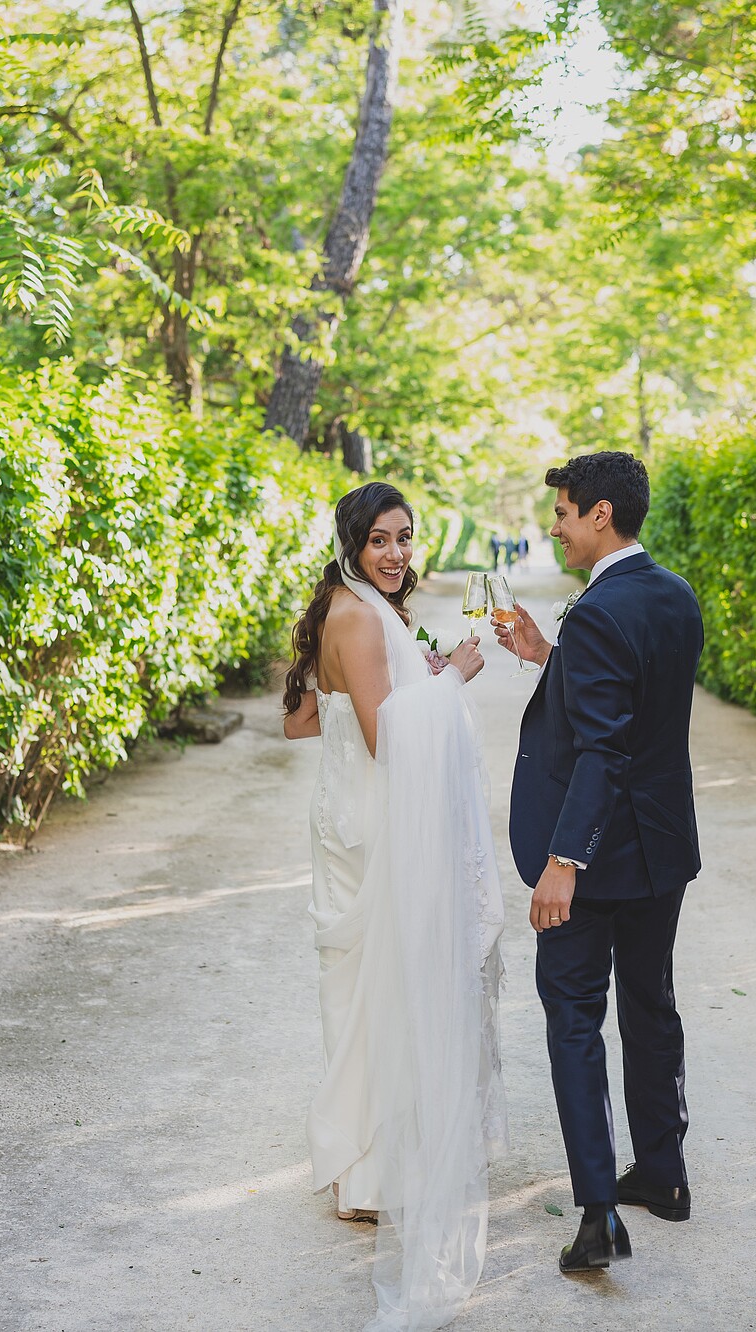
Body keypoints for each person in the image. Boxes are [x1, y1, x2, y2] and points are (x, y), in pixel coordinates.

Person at [282, 482, 508, 1330]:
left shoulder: (350, 607)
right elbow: (386, 735)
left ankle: (359, 1166)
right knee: (379, 988)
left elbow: (306, 721)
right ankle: (369, 1178)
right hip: (373, 827)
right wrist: (452, 675)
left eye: (405, 538)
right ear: (352, 540)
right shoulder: (355, 616)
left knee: (363, 987)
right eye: (379, 539)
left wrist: (401, 674)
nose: (396, 553)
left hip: (350, 817)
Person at [491, 451, 703, 1274]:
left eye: (565, 513)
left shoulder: (601, 612)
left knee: (574, 1018)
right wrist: (551, 654)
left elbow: (603, 750)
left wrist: (563, 862)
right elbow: (634, 707)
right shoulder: (673, 595)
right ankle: (664, 1173)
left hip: (597, 856)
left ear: (602, 514)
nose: (556, 527)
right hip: (661, 851)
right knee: (651, 1005)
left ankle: (597, 1216)